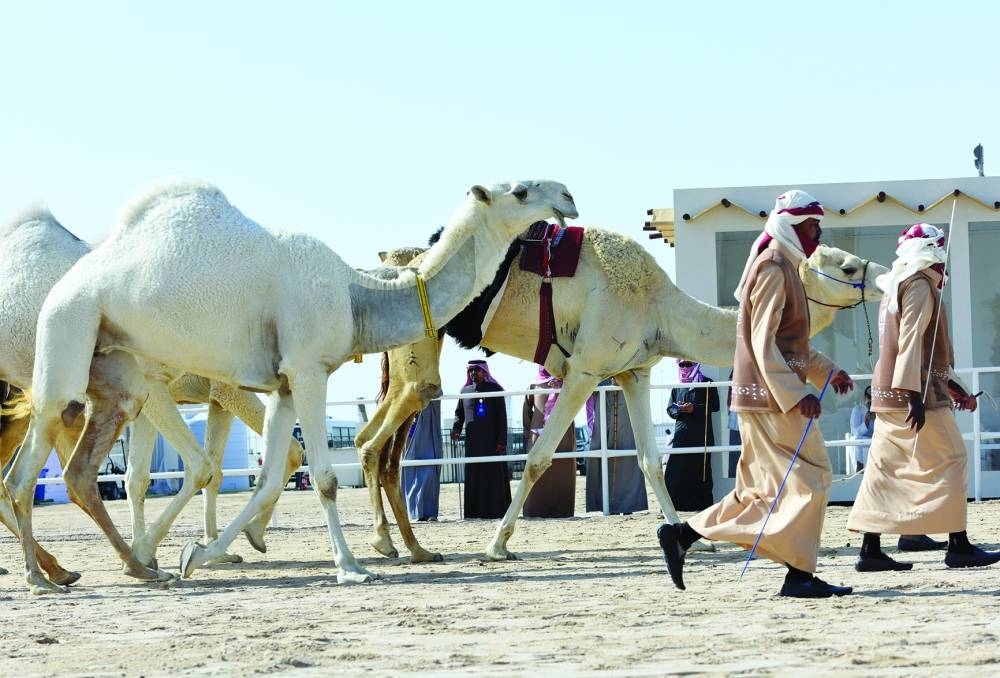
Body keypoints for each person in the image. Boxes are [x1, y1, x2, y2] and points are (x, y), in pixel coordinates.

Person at [657, 189, 855, 599]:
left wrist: (827, 371)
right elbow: (761, 342)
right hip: (771, 400)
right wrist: (796, 393)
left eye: (818, 227)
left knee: (757, 493)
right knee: (813, 478)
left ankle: (683, 535)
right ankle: (798, 573)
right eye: (811, 227)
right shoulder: (772, 268)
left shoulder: (784, 266)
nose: (817, 235)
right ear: (789, 226)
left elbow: (789, 343)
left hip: (766, 397)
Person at [847, 223, 999, 572]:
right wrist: (914, 394)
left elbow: (922, 348)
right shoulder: (919, 285)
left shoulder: (896, 284)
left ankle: (871, 549)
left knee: (884, 471)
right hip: (916, 395)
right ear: (933, 252)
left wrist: (954, 388)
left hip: (888, 395)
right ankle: (958, 545)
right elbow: (912, 342)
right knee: (952, 458)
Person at [451, 359, 510, 519]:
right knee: (474, 475)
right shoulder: (465, 391)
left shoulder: (495, 389)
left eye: (477, 370)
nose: (473, 373)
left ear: (485, 372)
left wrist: (502, 441)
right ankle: (474, 512)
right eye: (471, 370)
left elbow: (502, 418)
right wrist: (456, 429)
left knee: (492, 476)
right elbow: (459, 414)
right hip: (473, 442)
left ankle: (496, 511)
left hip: (492, 442)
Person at [586, 378, 648, 514]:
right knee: (601, 458)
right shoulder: (600, 376)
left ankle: (628, 505)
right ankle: (605, 504)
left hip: (627, 420)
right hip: (604, 423)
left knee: (628, 458)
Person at [521, 366, 576, 518]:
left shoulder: (568, 383)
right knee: (536, 472)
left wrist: (561, 387)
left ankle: (562, 510)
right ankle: (536, 510)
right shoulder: (534, 385)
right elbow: (527, 410)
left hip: (563, 437)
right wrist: (529, 433)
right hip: (538, 437)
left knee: (562, 471)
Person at [664, 359, 719, 510]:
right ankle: (671, 506)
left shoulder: (707, 383)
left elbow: (715, 406)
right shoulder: (677, 386)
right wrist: (679, 410)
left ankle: (702, 506)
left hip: (702, 435)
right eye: (682, 364)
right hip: (681, 435)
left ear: (695, 365)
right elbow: (669, 409)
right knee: (675, 471)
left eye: (689, 364)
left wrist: (694, 408)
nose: (685, 367)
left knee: (700, 472)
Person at [401, 391, 443, 522]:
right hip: (409, 436)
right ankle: (413, 513)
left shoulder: (432, 383)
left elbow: (437, 392)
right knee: (410, 474)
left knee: (429, 474)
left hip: (428, 435)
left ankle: (429, 512)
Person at [848, 386, 874, 472]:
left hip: (875, 437)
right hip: (861, 438)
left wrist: (876, 418)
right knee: (856, 440)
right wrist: (866, 422)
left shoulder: (880, 410)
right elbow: (854, 431)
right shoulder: (857, 410)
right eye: (869, 399)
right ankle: (860, 468)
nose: (870, 403)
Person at [726, 369, 742, 478]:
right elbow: (729, 395)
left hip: (753, 422)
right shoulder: (735, 369)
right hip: (736, 421)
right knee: (735, 460)